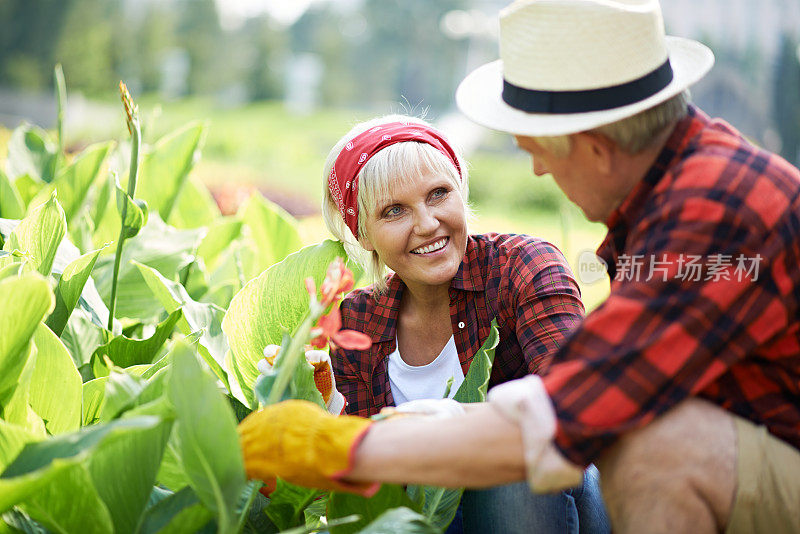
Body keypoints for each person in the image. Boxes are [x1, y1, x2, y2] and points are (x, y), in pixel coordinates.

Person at [239, 1, 800, 532]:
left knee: (657, 448)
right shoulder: (694, 186)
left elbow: (573, 412)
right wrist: (329, 410)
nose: (534, 170)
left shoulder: (709, 217)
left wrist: (341, 447)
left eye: (541, 151)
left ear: (595, 148)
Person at [313, 114, 608, 533]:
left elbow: (575, 412)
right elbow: (367, 488)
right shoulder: (356, 321)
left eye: (438, 194)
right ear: (362, 234)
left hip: (549, 503)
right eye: (394, 210)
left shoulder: (524, 268)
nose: (427, 223)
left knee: (515, 462)